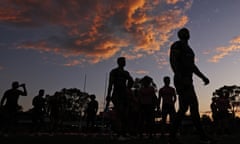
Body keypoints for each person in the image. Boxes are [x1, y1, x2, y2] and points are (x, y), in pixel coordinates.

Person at [169, 28, 211, 144]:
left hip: (189, 80)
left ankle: (172, 136)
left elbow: (192, 66)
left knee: (183, 108)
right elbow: (173, 61)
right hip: (181, 79)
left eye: (187, 32)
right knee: (193, 105)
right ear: (179, 35)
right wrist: (180, 77)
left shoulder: (190, 51)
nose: (186, 33)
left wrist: (203, 77)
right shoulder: (177, 45)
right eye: (183, 32)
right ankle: (202, 136)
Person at [106, 57, 134, 140]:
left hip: (124, 94)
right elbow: (110, 84)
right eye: (122, 61)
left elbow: (131, 80)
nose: (124, 62)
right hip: (116, 94)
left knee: (125, 113)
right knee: (119, 112)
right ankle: (118, 133)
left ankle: (124, 133)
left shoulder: (126, 73)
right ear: (118, 62)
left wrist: (128, 88)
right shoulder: (114, 72)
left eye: (125, 61)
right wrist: (108, 95)